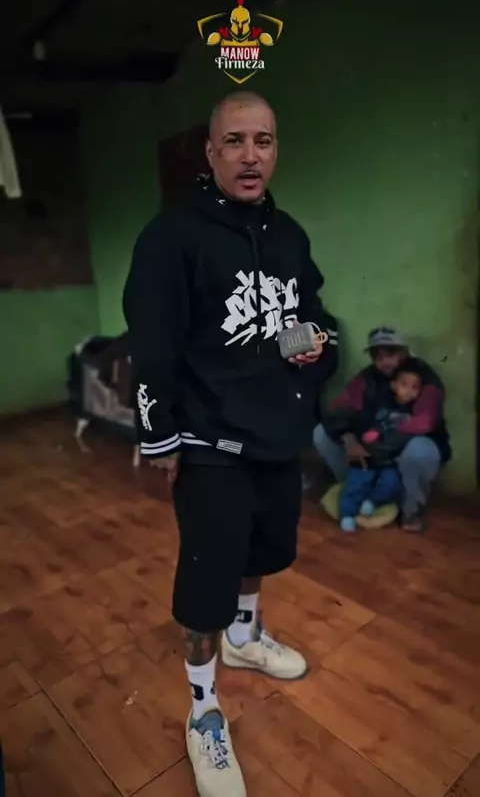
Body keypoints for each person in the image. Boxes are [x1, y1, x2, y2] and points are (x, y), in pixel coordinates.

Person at [123, 91, 336, 797]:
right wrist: (159, 437)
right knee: (206, 581)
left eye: (263, 141)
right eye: (235, 142)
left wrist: (316, 344)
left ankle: (244, 641)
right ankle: (203, 710)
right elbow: (153, 345)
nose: (250, 156)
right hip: (207, 438)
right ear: (211, 152)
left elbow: (308, 315)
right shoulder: (171, 237)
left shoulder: (290, 235)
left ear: (276, 151)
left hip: (275, 429)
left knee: (264, 552)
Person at [314, 327, 451, 533]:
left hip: (397, 452)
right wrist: (350, 439)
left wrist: (376, 447)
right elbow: (339, 408)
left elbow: (423, 423)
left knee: (420, 450)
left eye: (390, 353)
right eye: (377, 355)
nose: (384, 360)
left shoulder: (425, 379)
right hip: (369, 447)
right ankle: (358, 491)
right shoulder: (368, 377)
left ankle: (410, 508)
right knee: (321, 434)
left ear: (404, 352)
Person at [324, 357, 424, 532]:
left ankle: (372, 501)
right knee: (356, 483)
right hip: (367, 454)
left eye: (415, 387)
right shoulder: (380, 403)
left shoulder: (416, 411)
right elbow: (361, 422)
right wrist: (365, 436)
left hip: (389, 459)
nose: (409, 391)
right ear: (394, 385)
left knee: (392, 483)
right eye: (404, 385)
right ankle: (347, 515)